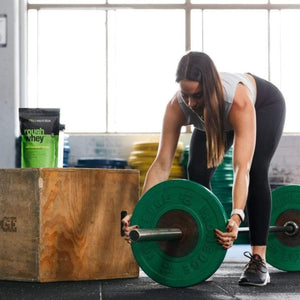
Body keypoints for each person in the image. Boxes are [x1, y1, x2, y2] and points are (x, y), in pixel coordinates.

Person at [122, 51, 286, 286]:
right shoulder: (178, 106)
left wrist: (237, 216)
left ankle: (259, 259)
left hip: (264, 106)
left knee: (258, 169)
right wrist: (140, 213)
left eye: (197, 95)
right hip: (215, 115)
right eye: (185, 94)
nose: (191, 103)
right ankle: (202, 238)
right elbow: (161, 164)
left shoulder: (238, 102)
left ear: (210, 87)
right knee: (197, 171)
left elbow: (242, 168)